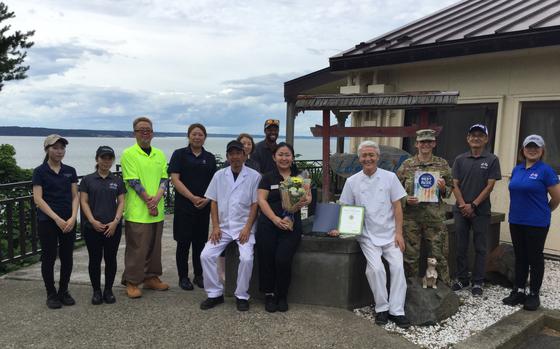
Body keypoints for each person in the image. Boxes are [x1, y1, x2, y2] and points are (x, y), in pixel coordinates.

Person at [330, 140, 410, 329]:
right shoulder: (352, 181)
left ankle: (397, 311)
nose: (368, 159)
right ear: (359, 159)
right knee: (375, 270)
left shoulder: (390, 177)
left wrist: (399, 233)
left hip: (390, 234)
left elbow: (397, 207)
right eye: (364, 155)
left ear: (378, 157)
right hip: (367, 235)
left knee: (398, 267)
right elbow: (346, 208)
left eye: (371, 155)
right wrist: (339, 228)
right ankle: (382, 308)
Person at [199, 140, 261, 311]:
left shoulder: (254, 176)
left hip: (244, 227)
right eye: (231, 154)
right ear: (227, 157)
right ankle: (214, 294)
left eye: (238, 153)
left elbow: (255, 204)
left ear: (244, 155)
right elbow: (213, 202)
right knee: (206, 255)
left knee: (247, 258)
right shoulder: (219, 175)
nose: (235, 157)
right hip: (224, 227)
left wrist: (248, 228)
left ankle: (241, 295)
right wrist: (216, 227)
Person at [502, 135, 560, 310]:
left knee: (534, 257)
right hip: (517, 220)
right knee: (520, 256)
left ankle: (533, 293)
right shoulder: (517, 169)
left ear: (542, 150)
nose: (532, 149)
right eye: (529, 146)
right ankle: (518, 290)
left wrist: (544, 211)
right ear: (523, 149)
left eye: (536, 147)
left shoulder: (545, 171)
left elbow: (556, 197)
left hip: (536, 222)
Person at [256, 142, 311, 312]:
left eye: (287, 155)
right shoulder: (267, 177)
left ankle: (282, 295)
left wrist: (306, 200)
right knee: (267, 259)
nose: (284, 158)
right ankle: (269, 295)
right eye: (280, 154)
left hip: (291, 225)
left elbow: (308, 197)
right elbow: (261, 200)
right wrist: (274, 219)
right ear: (274, 157)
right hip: (269, 224)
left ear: (292, 157)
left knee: (282, 259)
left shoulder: (299, 177)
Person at [121, 116, 169, 298]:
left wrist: (156, 200)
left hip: (157, 210)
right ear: (135, 133)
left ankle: (151, 277)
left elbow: (164, 178)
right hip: (138, 211)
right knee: (137, 248)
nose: (145, 133)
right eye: (141, 130)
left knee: (154, 248)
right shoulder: (129, 154)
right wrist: (150, 202)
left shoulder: (159, 154)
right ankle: (132, 281)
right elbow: (133, 181)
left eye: (148, 130)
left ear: (153, 133)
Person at [396, 129, 452, 285]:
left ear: (434, 143)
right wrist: (407, 199)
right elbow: (395, 191)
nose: (425, 145)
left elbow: (449, 189)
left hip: (434, 218)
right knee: (410, 257)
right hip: (411, 219)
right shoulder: (407, 165)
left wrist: (442, 188)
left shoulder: (442, 164)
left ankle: (444, 290)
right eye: (422, 142)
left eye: (429, 141)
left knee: (438, 255)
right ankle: (410, 291)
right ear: (416, 144)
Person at [451, 124, 501, 296]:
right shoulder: (459, 159)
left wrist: (473, 205)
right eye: (473, 135)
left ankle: (478, 281)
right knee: (461, 246)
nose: (476, 138)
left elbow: (490, 186)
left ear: (486, 139)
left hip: (481, 210)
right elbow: (454, 184)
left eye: (480, 135)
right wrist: (463, 204)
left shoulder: (492, 159)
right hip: (460, 209)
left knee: (480, 246)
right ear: (468, 138)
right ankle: (461, 278)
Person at [32, 134, 79, 309]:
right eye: (55, 148)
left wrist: (73, 217)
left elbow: (75, 196)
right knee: (49, 257)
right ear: (47, 149)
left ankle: (63, 291)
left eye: (62, 148)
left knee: (67, 257)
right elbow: (38, 199)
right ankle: (51, 293)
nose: (59, 151)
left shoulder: (70, 171)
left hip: (68, 220)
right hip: (48, 221)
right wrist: (57, 219)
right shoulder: (40, 171)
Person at [169, 123, 217, 290]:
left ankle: (199, 275)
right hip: (184, 207)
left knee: (200, 243)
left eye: (200, 134)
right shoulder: (179, 154)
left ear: (205, 137)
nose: (197, 137)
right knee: (183, 243)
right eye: (194, 134)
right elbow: (175, 179)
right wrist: (191, 197)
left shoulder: (210, 158)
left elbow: (214, 183)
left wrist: (206, 199)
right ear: (188, 136)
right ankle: (183, 277)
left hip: (203, 207)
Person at [79, 146, 125, 305]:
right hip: (93, 227)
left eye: (109, 158)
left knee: (111, 259)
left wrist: (116, 221)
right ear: (97, 159)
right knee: (95, 259)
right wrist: (91, 220)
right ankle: (96, 291)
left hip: (112, 227)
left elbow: (121, 202)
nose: (106, 161)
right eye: (103, 158)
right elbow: (83, 201)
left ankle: (108, 290)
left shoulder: (117, 180)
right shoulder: (87, 180)